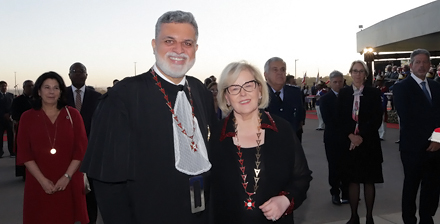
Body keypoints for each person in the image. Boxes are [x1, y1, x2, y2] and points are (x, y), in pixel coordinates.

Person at [80, 11, 216, 224]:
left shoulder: (200, 91)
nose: (179, 50)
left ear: (196, 49)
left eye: (187, 43)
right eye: (169, 41)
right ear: (154, 44)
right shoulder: (123, 96)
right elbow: (107, 183)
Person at [210, 61, 312, 223]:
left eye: (248, 85)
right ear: (226, 97)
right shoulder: (214, 136)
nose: (243, 93)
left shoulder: (282, 130)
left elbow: (302, 177)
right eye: (234, 88)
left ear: (259, 91)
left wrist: (285, 200)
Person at [16, 71, 88, 224]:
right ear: (39, 91)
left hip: (68, 181)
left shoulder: (73, 115)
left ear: (61, 91)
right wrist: (42, 180)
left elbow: (81, 150)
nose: (51, 92)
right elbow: (24, 152)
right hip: (38, 182)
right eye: (47, 87)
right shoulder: (27, 117)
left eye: (56, 88)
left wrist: (66, 177)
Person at [394, 49, 440, 224]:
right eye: (417, 62)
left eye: (425, 62)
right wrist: (431, 139)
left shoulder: (437, 87)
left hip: (436, 148)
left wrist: (438, 138)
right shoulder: (401, 88)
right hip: (413, 148)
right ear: (411, 66)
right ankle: (409, 220)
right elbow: (408, 118)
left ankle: (427, 218)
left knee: (432, 186)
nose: (422, 65)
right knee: (411, 187)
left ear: (430, 65)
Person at [338, 60, 383, 224]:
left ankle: (369, 216)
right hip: (349, 143)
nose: (358, 74)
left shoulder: (373, 93)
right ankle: (354, 215)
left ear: (366, 74)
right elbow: (340, 118)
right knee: (353, 180)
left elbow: (376, 118)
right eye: (355, 71)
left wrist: (361, 135)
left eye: (361, 71)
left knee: (369, 181)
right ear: (350, 73)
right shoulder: (343, 93)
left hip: (368, 142)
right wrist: (351, 135)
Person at [66, 62, 102, 224]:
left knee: (90, 191)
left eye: (82, 72)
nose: (78, 74)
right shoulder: (61, 95)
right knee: (68, 189)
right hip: (66, 150)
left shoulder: (96, 97)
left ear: (87, 75)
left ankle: (90, 220)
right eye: (74, 71)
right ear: (69, 75)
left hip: (91, 151)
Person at [319, 70, 349, 205]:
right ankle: (335, 192)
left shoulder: (350, 97)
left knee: (348, 166)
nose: (338, 85)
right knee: (334, 167)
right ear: (330, 83)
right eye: (335, 82)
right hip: (333, 139)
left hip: (348, 139)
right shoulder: (325, 99)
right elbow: (329, 120)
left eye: (340, 82)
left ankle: (347, 192)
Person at [264, 57, 305, 142]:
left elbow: (299, 117)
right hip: (268, 146)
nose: (280, 73)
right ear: (266, 75)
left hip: (292, 144)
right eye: (275, 70)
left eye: (283, 70)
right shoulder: (258, 94)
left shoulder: (295, 92)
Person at [11, 80, 34, 177]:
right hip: (23, 129)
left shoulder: (38, 99)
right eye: (29, 86)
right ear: (24, 88)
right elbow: (15, 115)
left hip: (36, 129)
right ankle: (23, 173)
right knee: (24, 150)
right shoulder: (18, 100)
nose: (31, 88)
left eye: (32, 86)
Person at [0, 81, 15, 158]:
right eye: (2, 86)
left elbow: (14, 106)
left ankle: (12, 152)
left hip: (9, 119)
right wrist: (3, 114)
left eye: (5, 86)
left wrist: (9, 114)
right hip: (0, 119)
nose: (4, 87)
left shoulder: (10, 95)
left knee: (11, 136)